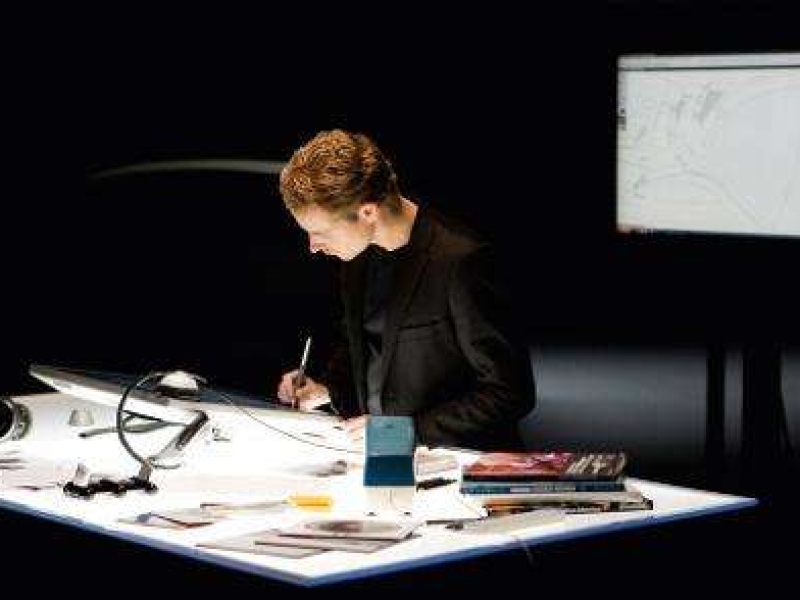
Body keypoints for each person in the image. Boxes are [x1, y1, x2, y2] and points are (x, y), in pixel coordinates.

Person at [276, 130, 534, 450]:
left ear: (368, 212)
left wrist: (409, 432)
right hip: (384, 456)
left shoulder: (461, 262)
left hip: (459, 461)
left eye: (320, 232)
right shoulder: (357, 258)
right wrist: (326, 389)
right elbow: (370, 349)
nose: (313, 247)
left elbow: (510, 392)